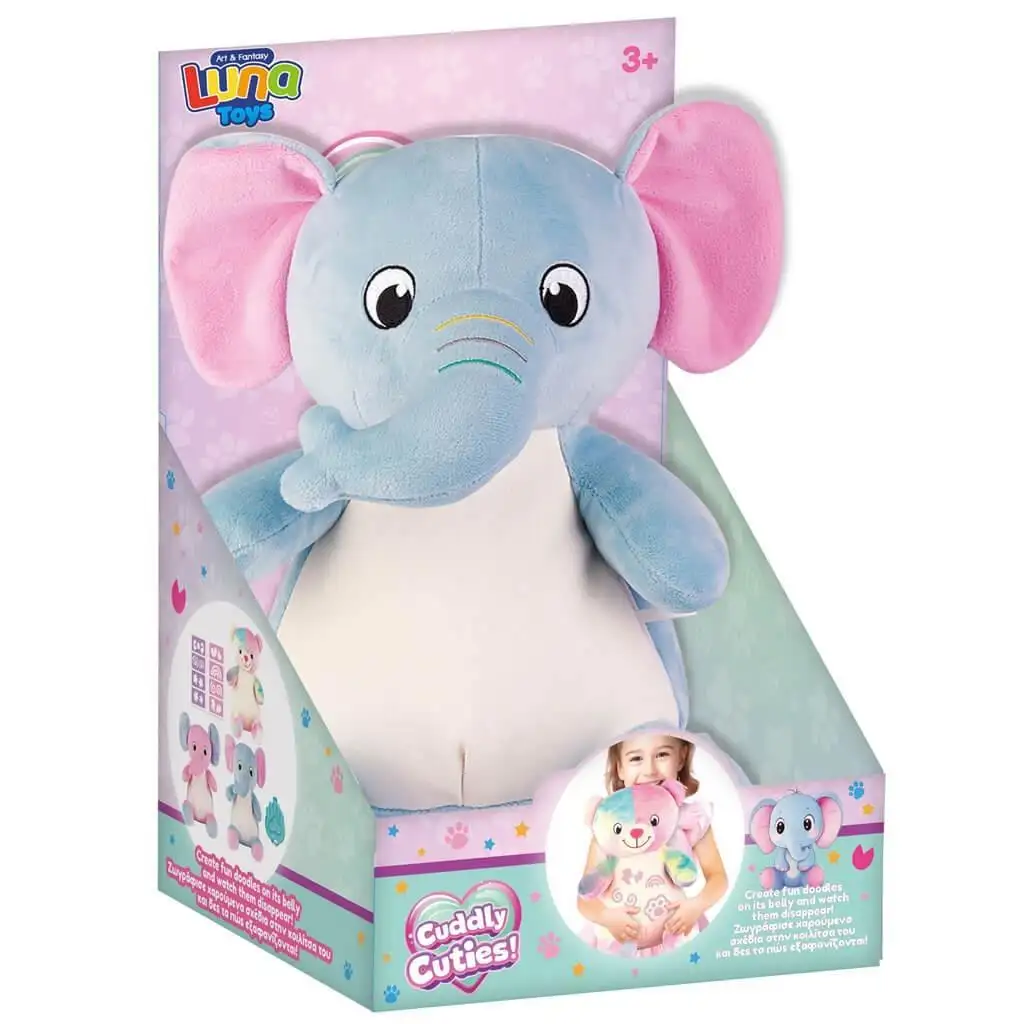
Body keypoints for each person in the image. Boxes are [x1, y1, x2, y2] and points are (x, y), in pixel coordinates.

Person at [577, 733, 729, 955]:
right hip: (620, 949)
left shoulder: (690, 820)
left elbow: (718, 878)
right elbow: (585, 898)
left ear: (681, 757)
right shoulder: (609, 827)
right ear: (620, 768)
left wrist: (696, 906)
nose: (649, 770)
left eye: (662, 754)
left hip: (675, 941)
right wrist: (606, 917)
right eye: (636, 758)